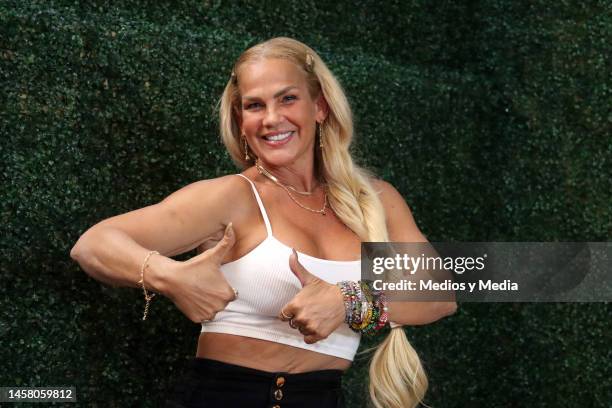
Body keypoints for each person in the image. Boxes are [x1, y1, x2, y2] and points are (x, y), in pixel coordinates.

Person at [70, 37, 457, 408]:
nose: (272, 119)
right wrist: (169, 276)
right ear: (240, 120)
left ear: (319, 106)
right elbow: (93, 244)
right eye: (254, 106)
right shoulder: (232, 197)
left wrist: (349, 302)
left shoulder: (376, 199)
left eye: (288, 98)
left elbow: (441, 294)